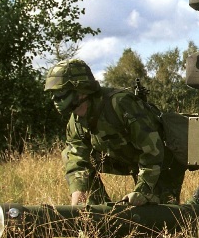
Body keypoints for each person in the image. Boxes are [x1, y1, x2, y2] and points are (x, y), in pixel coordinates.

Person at [44, 58, 187, 206]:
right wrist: (78, 195)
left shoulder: (120, 104)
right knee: (69, 154)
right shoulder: (75, 122)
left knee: (162, 213)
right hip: (129, 159)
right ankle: (98, 211)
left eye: (60, 92)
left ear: (81, 90)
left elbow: (153, 151)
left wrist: (143, 190)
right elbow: (77, 161)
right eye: (52, 94)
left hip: (162, 162)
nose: (54, 99)